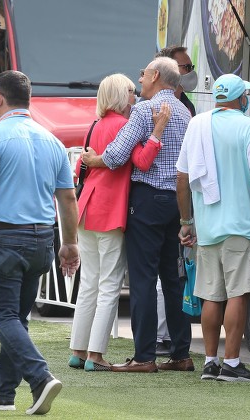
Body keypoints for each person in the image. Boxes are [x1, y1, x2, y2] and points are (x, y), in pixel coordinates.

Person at [0, 70, 80, 414]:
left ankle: (39, 377)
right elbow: (68, 199)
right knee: (16, 317)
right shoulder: (52, 140)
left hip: (3, 238)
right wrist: (69, 243)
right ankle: (2, 393)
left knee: (0, 314)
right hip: (42, 237)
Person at [82, 57, 193, 373]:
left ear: (155, 76)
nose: (140, 81)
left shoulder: (144, 111)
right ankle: (181, 353)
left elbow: (117, 155)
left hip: (146, 199)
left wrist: (94, 159)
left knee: (143, 278)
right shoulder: (186, 112)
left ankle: (144, 356)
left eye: (143, 75)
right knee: (173, 278)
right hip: (177, 200)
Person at [176, 73, 250, 382]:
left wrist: (186, 222)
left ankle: (210, 362)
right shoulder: (249, 126)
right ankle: (232, 363)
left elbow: (182, 178)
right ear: (240, 99)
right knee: (239, 293)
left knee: (212, 295)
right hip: (242, 226)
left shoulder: (197, 124)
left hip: (208, 226)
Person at [69, 73, 170, 372]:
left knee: (88, 283)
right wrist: (158, 132)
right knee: (110, 284)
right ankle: (96, 355)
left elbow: (80, 165)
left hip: (86, 208)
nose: (135, 94)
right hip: (110, 211)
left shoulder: (95, 125)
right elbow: (141, 160)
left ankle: (79, 349)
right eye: (130, 90)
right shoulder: (124, 125)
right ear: (120, 95)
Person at [154, 45, 197, 357]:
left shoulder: (189, 106)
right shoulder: (153, 106)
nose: (188, 72)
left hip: (181, 198)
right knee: (164, 271)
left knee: (176, 270)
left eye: (190, 66)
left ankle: (176, 339)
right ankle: (160, 337)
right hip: (163, 195)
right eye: (184, 67)